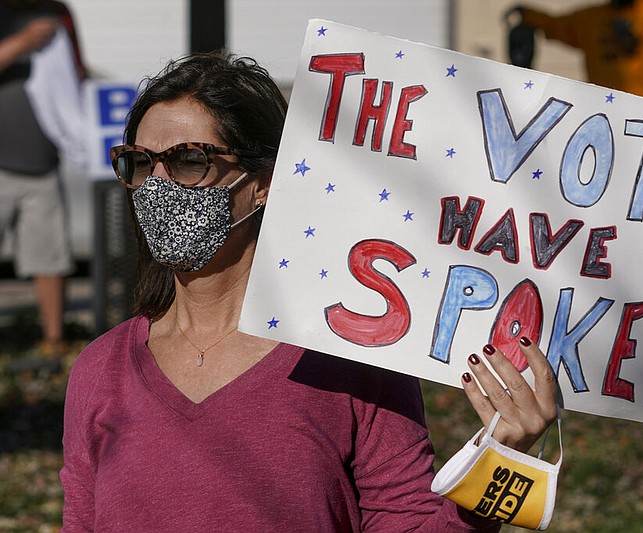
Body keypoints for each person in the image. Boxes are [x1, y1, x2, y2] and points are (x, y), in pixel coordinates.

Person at [60, 51, 559, 531]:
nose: (159, 185)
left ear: (264, 183)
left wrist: (500, 469)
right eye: (141, 163)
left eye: (190, 160)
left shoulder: (350, 360)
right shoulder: (101, 368)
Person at [0, 0, 84, 355]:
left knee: (50, 259)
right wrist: (21, 43)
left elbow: (75, 74)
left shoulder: (57, 13)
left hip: (42, 164)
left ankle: (54, 342)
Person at [505, 0, 643, 102]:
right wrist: (527, 14)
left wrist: (637, 46)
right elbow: (556, 25)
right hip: (605, 107)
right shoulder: (592, 18)